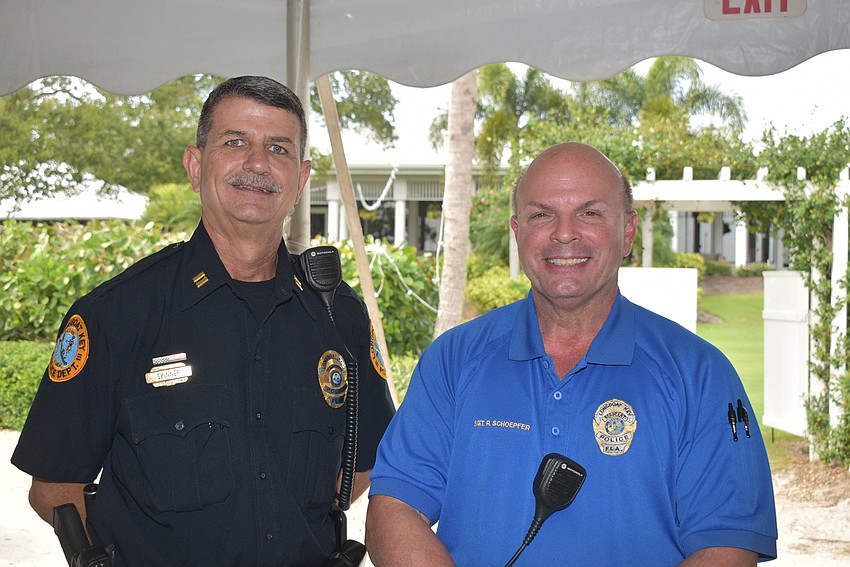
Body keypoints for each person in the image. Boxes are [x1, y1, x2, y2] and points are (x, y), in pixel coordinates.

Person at [12, 75, 396, 566]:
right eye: (235, 142)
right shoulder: (117, 314)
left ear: (300, 180)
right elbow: (54, 490)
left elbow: (363, 467)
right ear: (195, 166)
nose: (257, 164)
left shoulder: (336, 312)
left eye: (278, 149)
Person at [365, 142, 777, 566]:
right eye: (542, 214)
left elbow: (727, 548)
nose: (564, 233)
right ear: (517, 232)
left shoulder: (701, 375)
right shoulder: (452, 361)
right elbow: (394, 509)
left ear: (628, 232)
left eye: (590, 213)